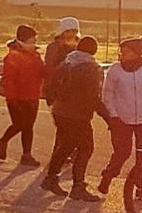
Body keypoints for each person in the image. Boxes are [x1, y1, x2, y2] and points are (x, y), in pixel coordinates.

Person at [95, 35, 142, 195]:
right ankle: (108, 175)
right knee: (122, 152)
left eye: (127, 51)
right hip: (121, 119)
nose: (123, 54)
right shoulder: (115, 69)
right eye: (122, 51)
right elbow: (108, 94)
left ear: (137, 52)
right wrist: (113, 115)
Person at [44, 35, 103, 200]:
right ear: (94, 50)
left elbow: (52, 84)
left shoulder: (67, 61)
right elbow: (93, 97)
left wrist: (51, 100)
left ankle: (51, 178)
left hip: (60, 111)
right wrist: (108, 117)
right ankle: (78, 186)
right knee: (86, 147)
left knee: (66, 145)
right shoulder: (91, 68)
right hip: (78, 114)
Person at [0, 24, 44, 167]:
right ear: (22, 40)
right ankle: (3, 140)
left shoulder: (36, 55)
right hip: (17, 97)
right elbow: (9, 80)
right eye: (32, 41)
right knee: (20, 124)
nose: (34, 43)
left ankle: (26, 155)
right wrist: (12, 99)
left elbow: (42, 71)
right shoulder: (12, 57)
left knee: (29, 126)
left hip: (33, 96)